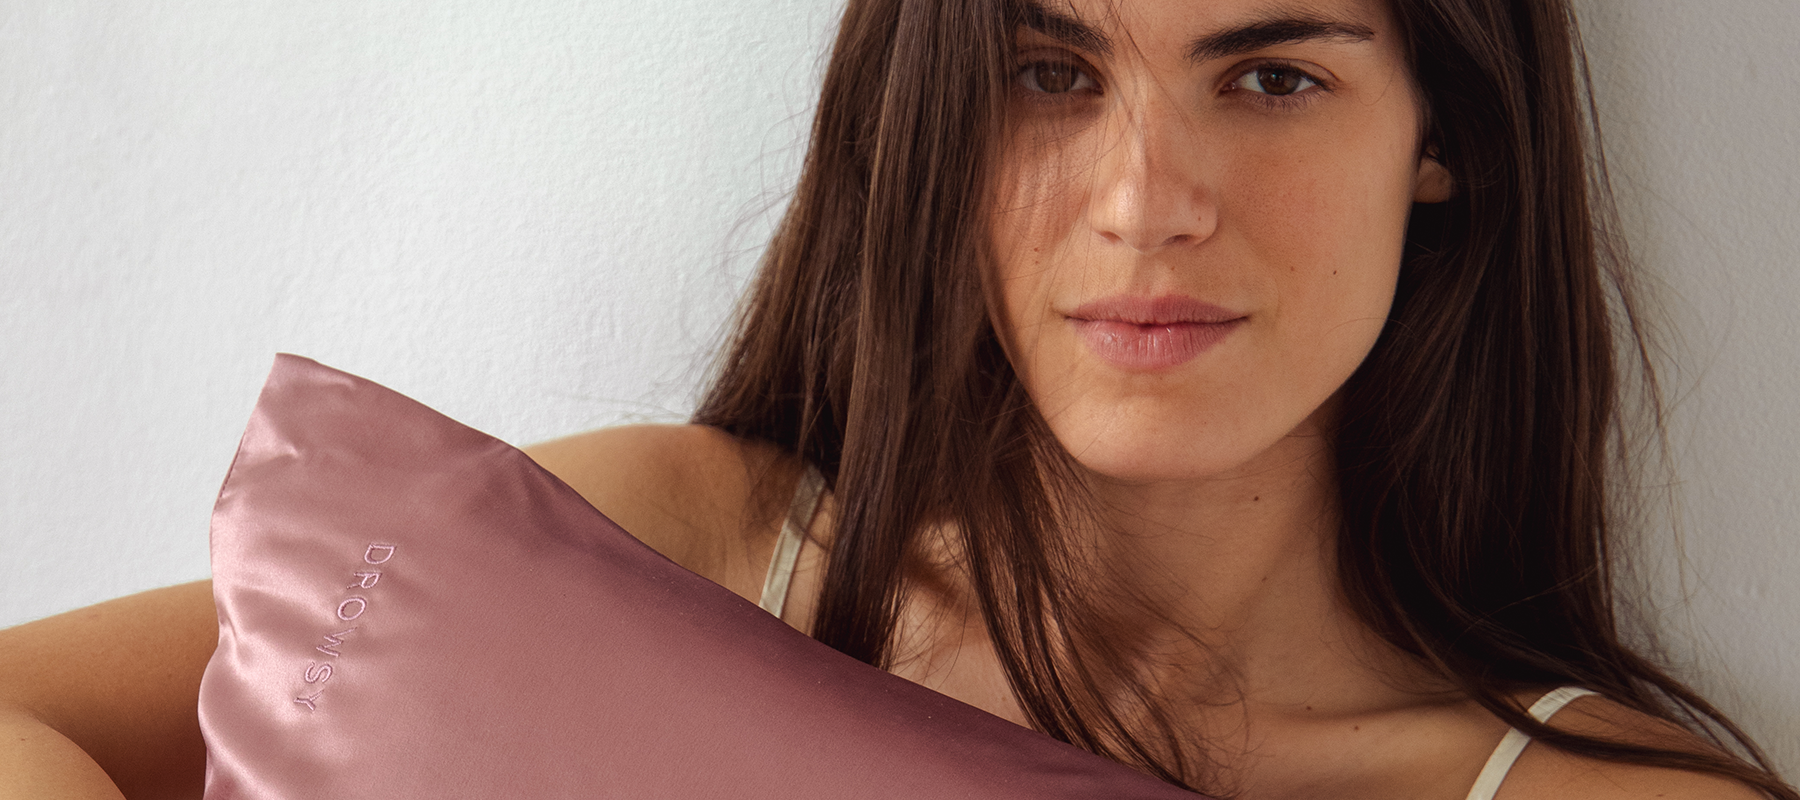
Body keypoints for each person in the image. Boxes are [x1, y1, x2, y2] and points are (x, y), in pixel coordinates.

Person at [0, 0, 1794, 797]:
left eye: (1266, 74)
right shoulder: (694, 548)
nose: (1141, 198)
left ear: (1447, 138)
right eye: (1046, 68)